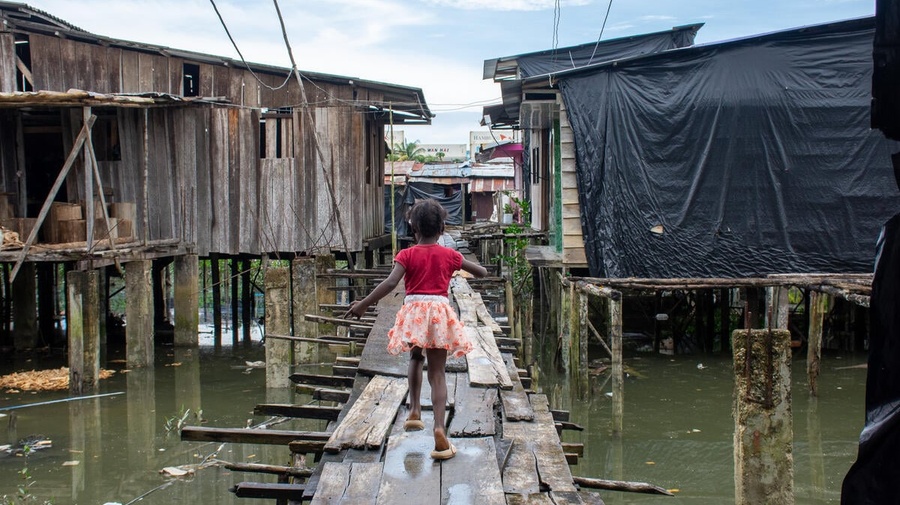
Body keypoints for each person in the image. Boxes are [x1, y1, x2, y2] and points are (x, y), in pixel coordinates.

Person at [343, 199, 487, 461]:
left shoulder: (406, 255)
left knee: (415, 357)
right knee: (438, 373)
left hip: (414, 314)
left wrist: (363, 304)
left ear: (414, 229)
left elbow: (389, 284)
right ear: (442, 228)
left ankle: (414, 410)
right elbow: (481, 272)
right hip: (439, 314)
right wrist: (461, 267)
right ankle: (440, 430)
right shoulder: (450, 255)